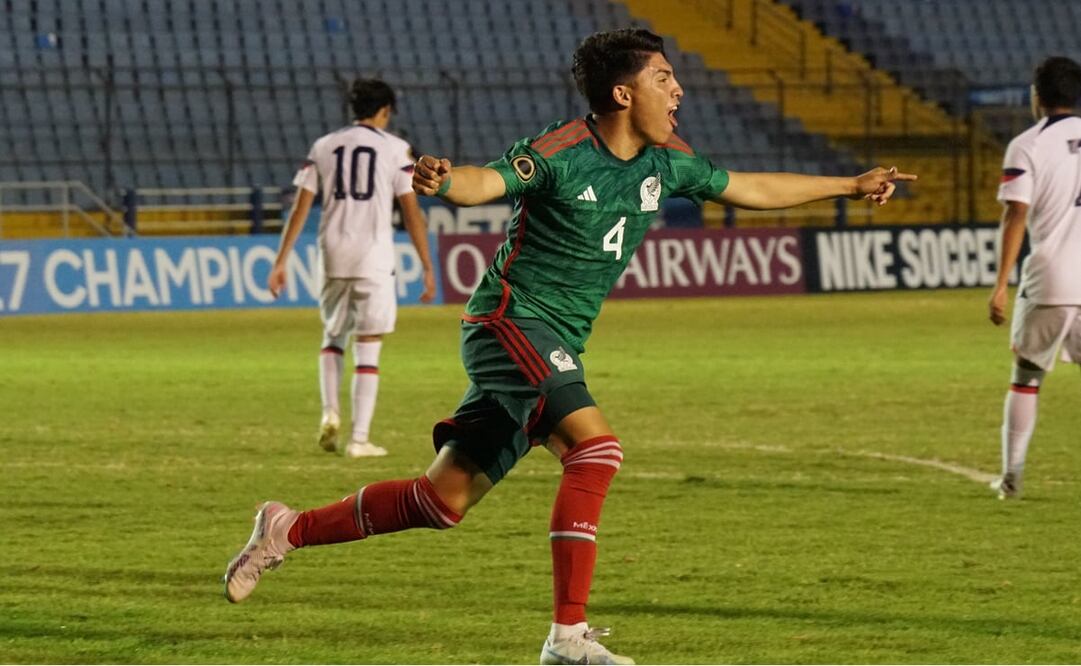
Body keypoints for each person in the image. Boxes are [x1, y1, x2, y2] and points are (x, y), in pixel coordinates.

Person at [226, 29, 913, 664]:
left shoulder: (667, 162)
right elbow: (489, 181)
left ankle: (285, 529)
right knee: (596, 450)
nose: (678, 90)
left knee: (441, 501)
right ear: (623, 93)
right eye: (664, 78)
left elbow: (749, 186)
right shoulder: (560, 151)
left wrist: (848, 185)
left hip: (550, 342)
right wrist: (447, 181)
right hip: (509, 322)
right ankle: (567, 637)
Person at [269, 78, 436, 459]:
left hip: (332, 253)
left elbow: (300, 207)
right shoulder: (395, 148)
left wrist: (281, 260)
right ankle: (359, 440)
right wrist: (427, 265)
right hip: (373, 258)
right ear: (385, 111)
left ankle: (330, 412)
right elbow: (411, 211)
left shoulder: (324, 146)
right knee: (368, 344)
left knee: (333, 336)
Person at [988, 56, 1081, 500]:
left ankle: (1012, 478)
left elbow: (1016, 214)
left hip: (1052, 280)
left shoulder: (1028, 145)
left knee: (1026, 377)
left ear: (1036, 96)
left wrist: (1000, 284)